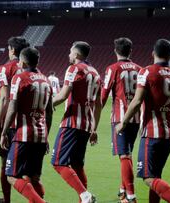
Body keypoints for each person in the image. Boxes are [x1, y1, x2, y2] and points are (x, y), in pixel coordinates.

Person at [116, 39, 170, 203]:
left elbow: (137, 101)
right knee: (156, 175)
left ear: (153, 53)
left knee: (147, 177)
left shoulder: (147, 72)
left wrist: (123, 122)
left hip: (152, 133)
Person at [0, 47, 53, 203]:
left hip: (24, 135)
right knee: (34, 178)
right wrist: (46, 135)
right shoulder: (46, 80)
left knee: (11, 176)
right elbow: (49, 112)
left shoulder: (19, 78)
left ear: (21, 62)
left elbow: (12, 108)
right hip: (41, 136)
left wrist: (4, 132)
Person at [51, 41, 101, 203]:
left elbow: (63, 95)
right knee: (77, 165)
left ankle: (85, 195)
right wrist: (94, 128)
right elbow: (98, 104)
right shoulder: (95, 73)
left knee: (58, 162)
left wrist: (45, 104)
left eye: (71, 52)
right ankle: (84, 199)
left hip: (72, 122)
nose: (69, 55)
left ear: (77, 55)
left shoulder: (74, 69)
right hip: (87, 125)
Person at [0, 36, 29, 203]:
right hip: (28, 125)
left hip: (10, 125)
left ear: (12, 50)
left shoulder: (6, 68)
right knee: (28, 168)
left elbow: (5, 99)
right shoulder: (32, 69)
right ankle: (36, 197)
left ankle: (7, 199)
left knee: (6, 165)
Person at [101, 38, 142, 203]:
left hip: (119, 119)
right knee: (127, 154)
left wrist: (94, 117)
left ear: (115, 50)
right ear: (130, 51)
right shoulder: (140, 69)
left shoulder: (113, 68)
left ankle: (131, 196)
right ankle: (123, 190)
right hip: (136, 117)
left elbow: (103, 95)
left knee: (124, 155)